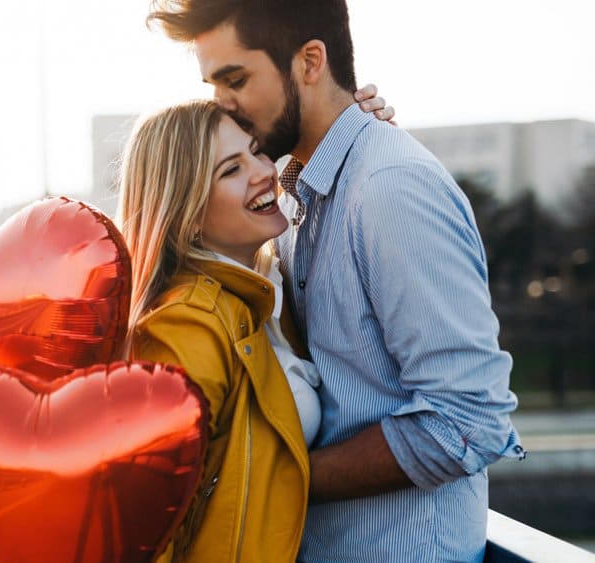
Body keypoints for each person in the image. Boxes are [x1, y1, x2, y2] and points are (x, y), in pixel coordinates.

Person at [146, 1, 524, 561]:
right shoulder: (298, 195)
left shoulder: (389, 188)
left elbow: (468, 420)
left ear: (310, 61)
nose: (223, 106)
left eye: (236, 80)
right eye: (214, 85)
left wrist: (283, 481)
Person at [118, 94, 390, 561]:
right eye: (230, 170)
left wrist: (355, 137)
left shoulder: (265, 287)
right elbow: (145, 528)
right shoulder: (187, 327)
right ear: (187, 215)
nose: (264, 171)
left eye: (257, 150)